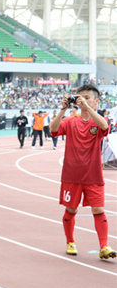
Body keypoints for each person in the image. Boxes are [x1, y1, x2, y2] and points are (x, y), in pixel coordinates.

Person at [50, 86, 115, 260]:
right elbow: (53, 129)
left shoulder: (100, 121)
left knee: (99, 209)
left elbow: (104, 126)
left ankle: (104, 247)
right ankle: (70, 241)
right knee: (71, 209)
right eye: (81, 98)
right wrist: (63, 110)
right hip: (72, 175)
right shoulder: (71, 121)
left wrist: (88, 108)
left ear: (96, 101)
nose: (83, 101)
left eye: (87, 98)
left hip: (93, 175)